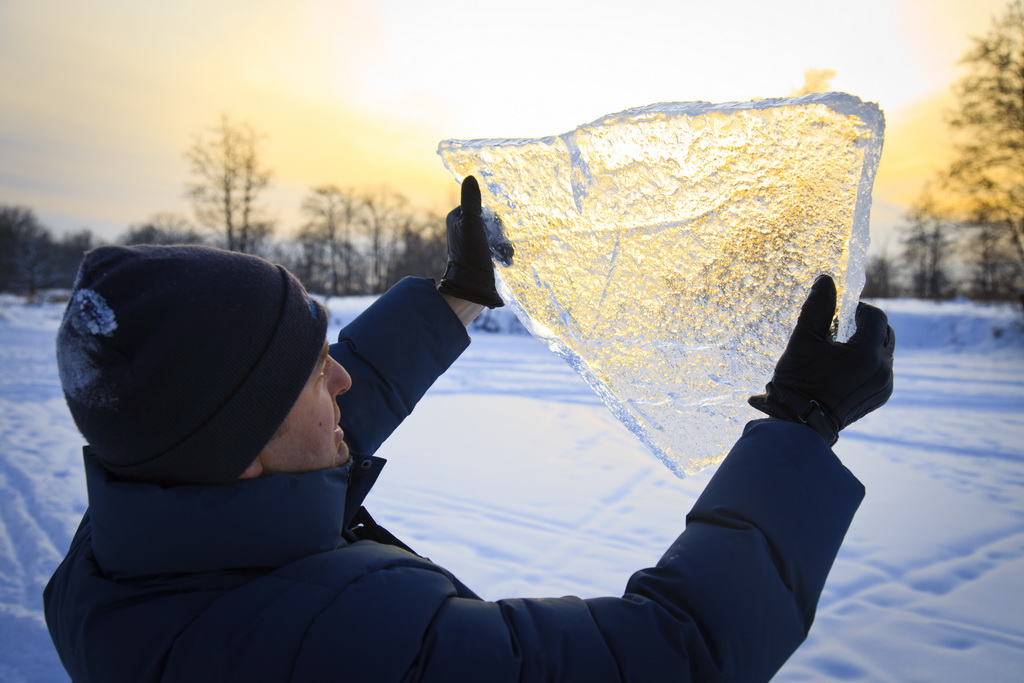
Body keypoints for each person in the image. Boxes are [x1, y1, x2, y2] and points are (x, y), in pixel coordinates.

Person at [44, 176, 895, 682]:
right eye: (309, 371)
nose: (339, 374)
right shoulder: (355, 650)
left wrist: (455, 295)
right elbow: (675, 654)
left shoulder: (117, 555)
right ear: (235, 453)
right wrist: (801, 425)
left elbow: (301, 423)